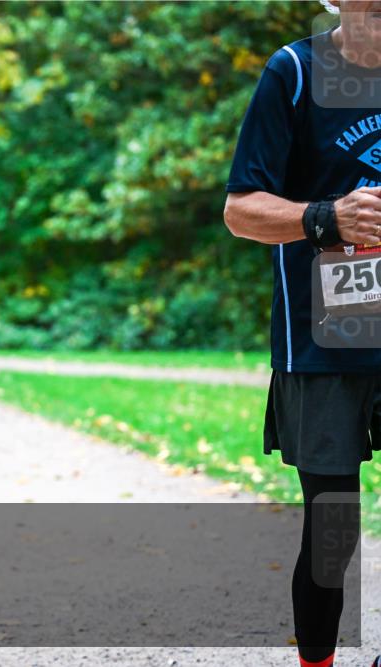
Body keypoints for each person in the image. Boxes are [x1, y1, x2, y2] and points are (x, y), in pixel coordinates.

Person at [223, 3, 380, 666]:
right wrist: (328, 217)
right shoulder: (294, 71)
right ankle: (317, 661)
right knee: (333, 527)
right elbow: (240, 209)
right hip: (325, 337)